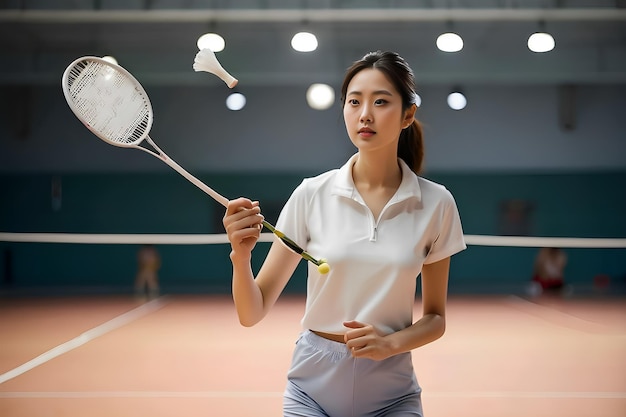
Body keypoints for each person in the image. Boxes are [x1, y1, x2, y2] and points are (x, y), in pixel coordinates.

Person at [223, 51, 466, 417]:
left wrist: (389, 344)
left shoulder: (436, 203)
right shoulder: (310, 194)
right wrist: (241, 259)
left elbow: (435, 319)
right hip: (312, 391)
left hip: (392, 394)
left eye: (381, 101)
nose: (365, 113)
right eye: (354, 101)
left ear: (407, 115)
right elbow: (251, 312)